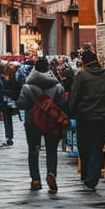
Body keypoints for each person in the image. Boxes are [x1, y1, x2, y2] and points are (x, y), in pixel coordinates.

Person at [69, 50, 105, 191]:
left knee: (84, 147)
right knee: (97, 147)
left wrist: (71, 113)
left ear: (84, 62)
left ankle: (88, 176)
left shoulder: (81, 76)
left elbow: (74, 96)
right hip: (104, 118)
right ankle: (92, 176)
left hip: (85, 118)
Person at [16, 57, 69, 192]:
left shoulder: (27, 86)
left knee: (33, 150)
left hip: (32, 122)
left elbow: (21, 104)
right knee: (51, 150)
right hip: (51, 123)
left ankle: (35, 180)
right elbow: (63, 105)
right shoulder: (57, 87)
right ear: (48, 69)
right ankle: (51, 173)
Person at [0, 63, 20, 146]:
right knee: (8, 119)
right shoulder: (14, 79)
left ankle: (9, 136)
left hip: (6, 101)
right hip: (10, 101)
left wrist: (4, 92)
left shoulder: (4, 79)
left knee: (7, 119)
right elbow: (17, 91)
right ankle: (9, 136)